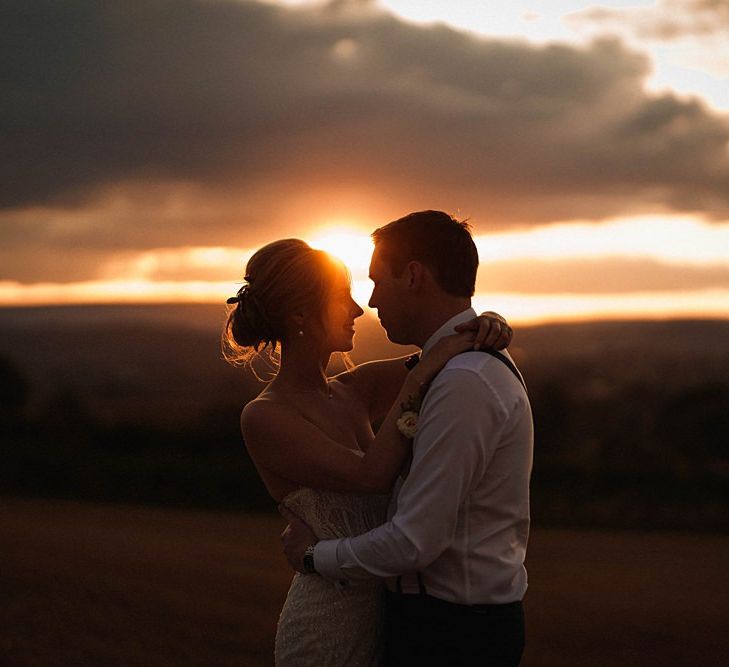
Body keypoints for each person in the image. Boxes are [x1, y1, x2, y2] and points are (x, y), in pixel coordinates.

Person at [223, 234, 513, 666]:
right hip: (328, 626)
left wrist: (487, 323)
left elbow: (448, 350)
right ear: (300, 312)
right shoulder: (264, 416)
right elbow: (370, 475)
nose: (359, 309)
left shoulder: (355, 389)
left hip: (391, 620)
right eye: (343, 297)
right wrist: (419, 379)